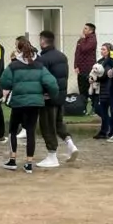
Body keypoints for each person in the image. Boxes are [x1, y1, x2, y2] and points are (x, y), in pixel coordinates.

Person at [0, 37, 59, 174]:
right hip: (35, 103)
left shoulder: (13, 65)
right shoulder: (39, 65)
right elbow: (51, 83)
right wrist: (51, 95)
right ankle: (29, 163)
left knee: (13, 130)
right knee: (30, 131)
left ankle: (12, 160)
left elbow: (4, 82)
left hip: (18, 103)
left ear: (18, 50)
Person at [37, 30, 79, 168]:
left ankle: (52, 156)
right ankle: (70, 145)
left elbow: (44, 79)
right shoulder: (62, 56)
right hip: (60, 95)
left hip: (48, 97)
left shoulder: (43, 59)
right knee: (58, 123)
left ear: (43, 41)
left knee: (47, 126)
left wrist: (44, 93)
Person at [90, 43, 113, 139]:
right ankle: (105, 130)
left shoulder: (111, 61)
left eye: (104, 49)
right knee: (99, 109)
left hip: (108, 88)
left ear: (109, 51)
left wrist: (96, 78)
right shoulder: (100, 61)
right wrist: (91, 78)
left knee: (103, 110)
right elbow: (93, 72)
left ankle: (107, 130)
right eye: (101, 49)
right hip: (99, 89)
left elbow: (106, 74)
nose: (102, 51)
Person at [74, 23, 98, 115]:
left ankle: (94, 108)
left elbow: (84, 49)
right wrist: (75, 65)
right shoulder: (81, 40)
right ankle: (82, 109)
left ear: (91, 31)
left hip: (89, 69)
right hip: (81, 69)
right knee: (82, 90)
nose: (83, 30)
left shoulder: (92, 39)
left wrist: (82, 40)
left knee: (91, 90)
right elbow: (77, 53)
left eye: (86, 28)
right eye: (84, 28)